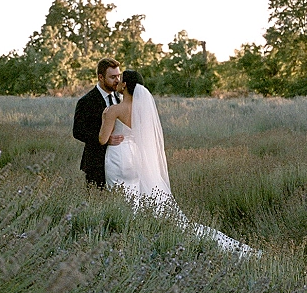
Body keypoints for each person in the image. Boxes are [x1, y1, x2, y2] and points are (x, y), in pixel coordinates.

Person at [99, 69, 259, 258]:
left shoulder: (114, 110)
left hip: (119, 157)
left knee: (122, 199)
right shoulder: (142, 110)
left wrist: (104, 116)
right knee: (136, 197)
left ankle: (124, 242)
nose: (117, 82)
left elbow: (102, 139)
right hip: (135, 159)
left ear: (125, 85)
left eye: (121, 80)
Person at [73, 58, 124, 188]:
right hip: (95, 162)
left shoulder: (120, 98)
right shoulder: (86, 101)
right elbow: (78, 132)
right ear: (100, 77)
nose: (117, 80)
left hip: (119, 161)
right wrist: (105, 139)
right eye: (113, 77)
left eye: (118, 76)